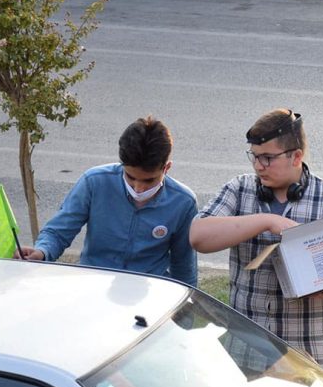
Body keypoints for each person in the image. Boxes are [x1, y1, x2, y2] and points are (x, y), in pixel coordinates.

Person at [190, 108, 323, 379]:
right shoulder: (239, 190)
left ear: (296, 156)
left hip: (315, 359)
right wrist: (267, 221)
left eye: (267, 158)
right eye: (254, 156)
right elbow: (198, 237)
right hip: (247, 356)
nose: (258, 166)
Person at [19, 116, 199, 287]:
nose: (138, 188)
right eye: (130, 177)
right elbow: (59, 231)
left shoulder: (183, 203)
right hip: (93, 286)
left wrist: (187, 306)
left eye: (148, 180)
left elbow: (184, 266)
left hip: (147, 293)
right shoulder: (94, 182)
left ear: (166, 168)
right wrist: (42, 251)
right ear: (122, 164)